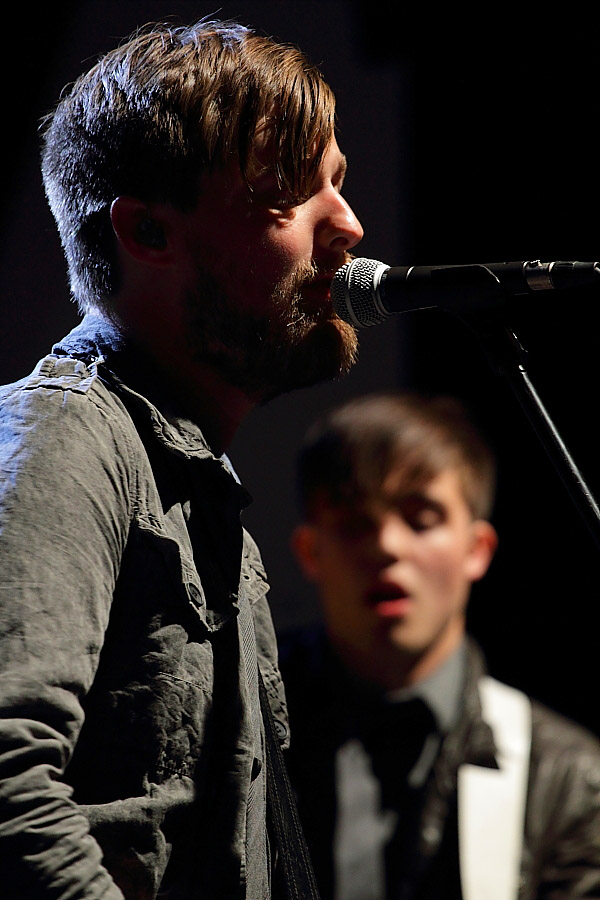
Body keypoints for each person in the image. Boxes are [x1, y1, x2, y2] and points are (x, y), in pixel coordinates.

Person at [0, 18, 363, 899]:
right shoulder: (68, 440)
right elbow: (9, 788)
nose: (348, 225)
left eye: (339, 184)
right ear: (149, 234)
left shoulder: (196, 487)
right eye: (289, 191)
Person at [282, 392, 600, 900]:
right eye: (356, 521)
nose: (387, 545)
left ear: (477, 549)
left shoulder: (570, 775)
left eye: (421, 517)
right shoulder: (236, 729)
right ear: (310, 550)